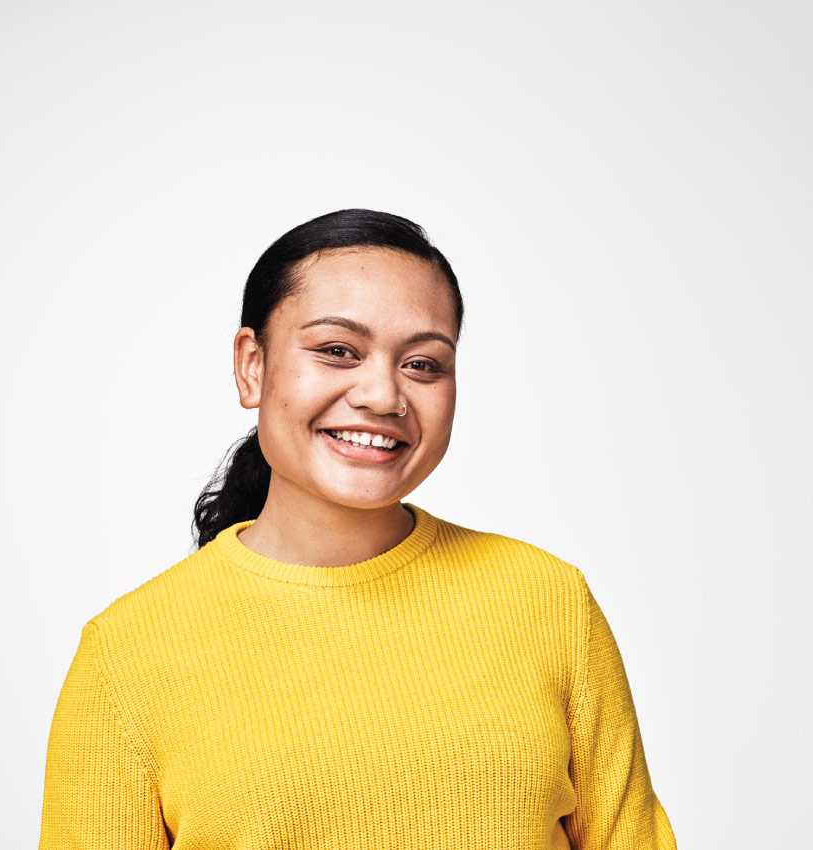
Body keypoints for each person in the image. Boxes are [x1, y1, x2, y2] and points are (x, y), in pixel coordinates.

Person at [37, 209, 677, 849]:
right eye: (337, 351)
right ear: (252, 366)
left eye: (424, 364)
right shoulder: (126, 653)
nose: (382, 395)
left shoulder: (548, 604)